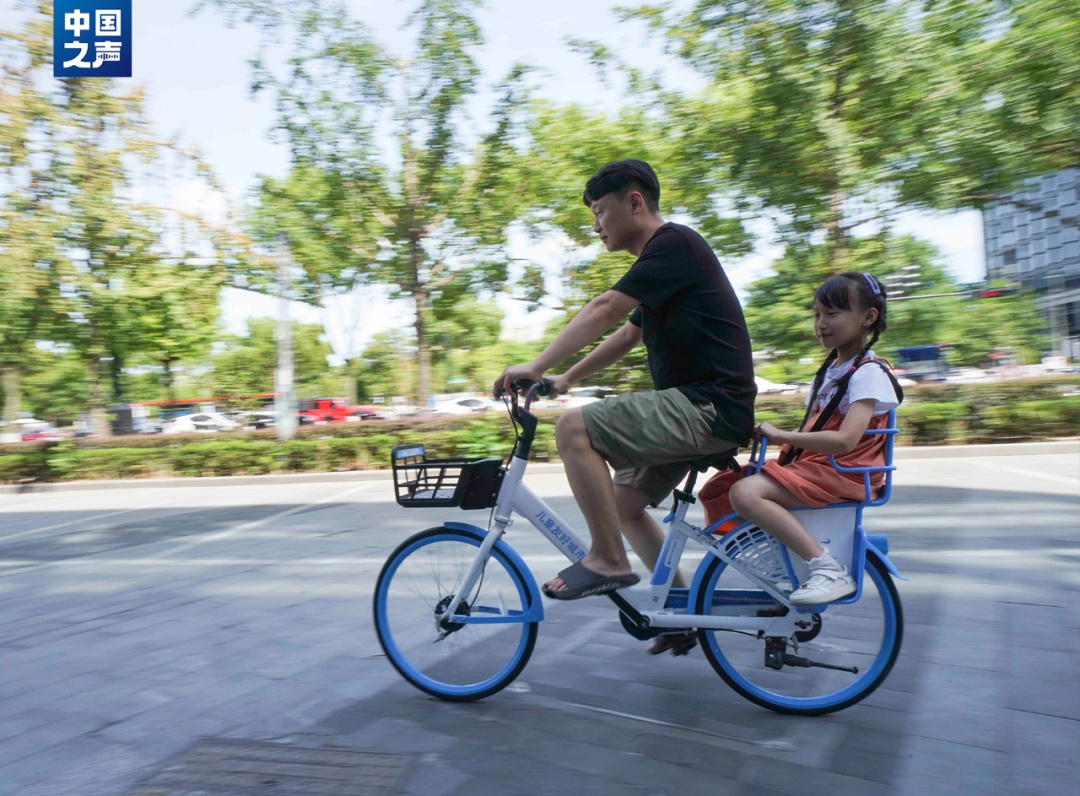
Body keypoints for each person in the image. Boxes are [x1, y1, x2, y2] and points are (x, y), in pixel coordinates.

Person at [493, 159, 756, 625]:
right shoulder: (663, 265)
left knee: (575, 428)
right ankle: (677, 614)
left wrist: (535, 365)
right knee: (624, 507)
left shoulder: (674, 245)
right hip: (705, 410)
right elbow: (627, 335)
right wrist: (567, 378)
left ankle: (607, 559)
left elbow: (607, 308)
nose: (595, 226)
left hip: (705, 407)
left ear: (634, 202)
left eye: (599, 211)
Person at [713, 271, 902, 605]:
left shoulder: (868, 372)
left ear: (868, 317)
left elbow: (845, 441)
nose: (821, 323)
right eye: (816, 314)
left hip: (845, 470)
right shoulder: (831, 370)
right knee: (725, 485)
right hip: (824, 466)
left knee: (746, 492)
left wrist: (778, 435)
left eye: (832, 313)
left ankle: (827, 569)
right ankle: (792, 558)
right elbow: (814, 429)